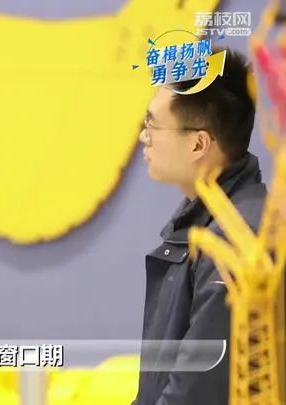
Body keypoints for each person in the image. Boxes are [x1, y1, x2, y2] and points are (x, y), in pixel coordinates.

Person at [134, 48, 266, 404]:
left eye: (152, 123)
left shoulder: (236, 242)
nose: (144, 136)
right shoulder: (207, 225)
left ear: (198, 143)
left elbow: (195, 393)